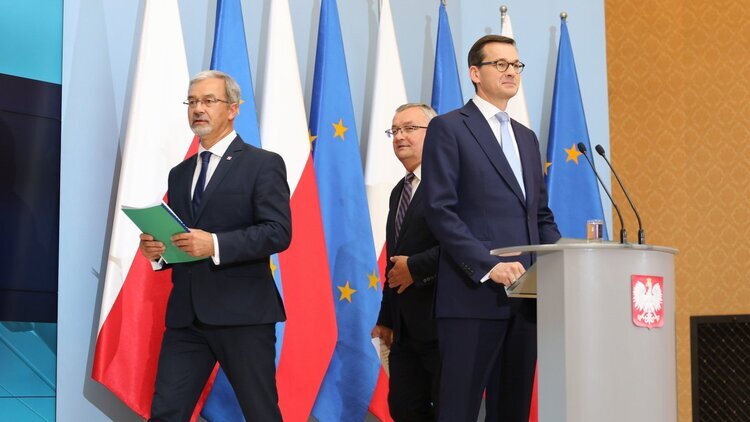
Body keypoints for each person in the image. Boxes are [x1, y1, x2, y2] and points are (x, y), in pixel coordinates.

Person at [421, 35, 561, 422]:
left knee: (512, 411)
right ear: (475, 73)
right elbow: (440, 210)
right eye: (500, 64)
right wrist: (488, 265)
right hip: (472, 297)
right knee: (458, 410)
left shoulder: (526, 139)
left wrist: (564, 262)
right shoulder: (449, 128)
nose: (511, 71)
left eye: (516, 65)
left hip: (525, 300)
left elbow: (540, 216)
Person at [138, 70, 291, 421]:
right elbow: (182, 237)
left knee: (261, 413)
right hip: (186, 317)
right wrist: (159, 252)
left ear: (233, 108)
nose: (198, 109)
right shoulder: (179, 173)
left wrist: (215, 244)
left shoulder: (263, 164)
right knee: (166, 412)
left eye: (209, 100)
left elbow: (278, 232)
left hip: (244, 316)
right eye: (192, 101)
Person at [372, 103, 441, 421]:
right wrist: (386, 318)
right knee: (403, 410)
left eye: (409, 128)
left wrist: (417, 268)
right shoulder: (400, 190)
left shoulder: (452, 183)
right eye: (395, 130)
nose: (400, 136)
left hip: (442, 323)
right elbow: (394, 260)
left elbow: (465, 247)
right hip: (404, 330)